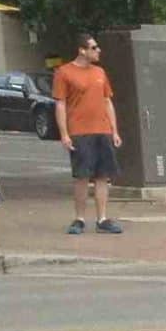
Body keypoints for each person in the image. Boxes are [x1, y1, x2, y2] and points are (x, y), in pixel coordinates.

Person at [52, 34, 121, 235]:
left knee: (103, 176)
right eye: (94, 48)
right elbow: (60, 104)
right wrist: (64, 134)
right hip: (79, 131)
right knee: (82, 176)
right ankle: (79, 219)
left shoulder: (100, 72)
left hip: (102, 130)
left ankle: (102, 219)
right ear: (82, 50)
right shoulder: (64, 73)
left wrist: (114, 130)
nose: (98, 51)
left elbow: (107, 101)